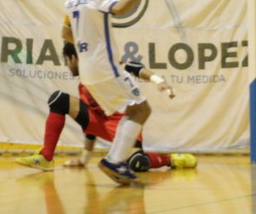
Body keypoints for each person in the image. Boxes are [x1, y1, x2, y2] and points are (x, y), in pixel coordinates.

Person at [15, 42, 197, 172]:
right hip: (101, 123)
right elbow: (89, 124)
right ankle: (46, 157)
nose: (66, 66)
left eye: (66, 61)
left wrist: (158, 80)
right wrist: (84, 160)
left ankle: (171, 159)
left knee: (137, 164)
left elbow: (131, 66)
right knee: (59, 99)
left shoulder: (101, 68)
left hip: (124, 123)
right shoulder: (84, 84)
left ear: (74, 58)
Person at [61, 0, 161, 184]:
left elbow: (65, 33)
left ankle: (115, 160)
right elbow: (120, 8)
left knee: (131, 111)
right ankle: (115, 160)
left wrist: (85, 43)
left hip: (87, 71)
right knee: (142, 110)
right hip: (105, 66)